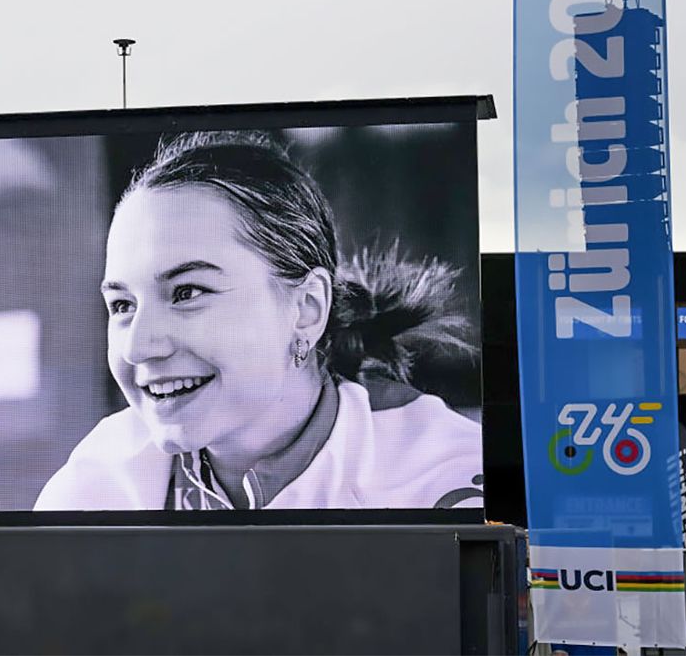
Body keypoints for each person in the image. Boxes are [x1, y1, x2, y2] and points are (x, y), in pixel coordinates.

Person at [35, 130, 482, 511]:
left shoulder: (443, 485)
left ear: (306, 309)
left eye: (187, 292)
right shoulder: (96, 488)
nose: (138, 347)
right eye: (123, 305)